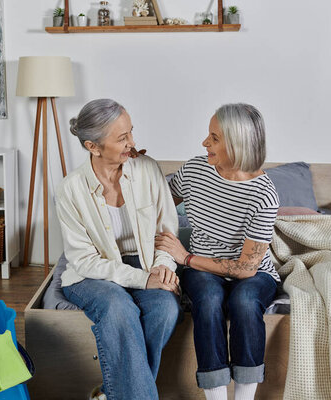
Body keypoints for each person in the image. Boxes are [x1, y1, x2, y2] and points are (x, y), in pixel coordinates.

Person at [56, 99, 182, 400]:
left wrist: (163, 267)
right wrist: (142, 280)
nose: (132, 143)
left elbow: (167, 231)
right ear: (93, 147)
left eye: (131, 133)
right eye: (122, 138)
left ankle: (112, 393)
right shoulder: (70, 189)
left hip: (146, 261)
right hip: (92, 272)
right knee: (118, 308)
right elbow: (83, 260)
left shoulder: (148, 169)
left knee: (165, 309)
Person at [155, 103, 279, 400]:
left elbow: (247, 269)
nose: (204, 143)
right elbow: (158, 201)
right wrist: (136, 169)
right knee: (209, 300)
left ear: (237, 144)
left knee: (246, 301)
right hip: (202, 271)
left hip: (252, 271)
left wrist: (185, 257)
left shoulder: (264, 195)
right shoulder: (196, 169)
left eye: (214, 138)